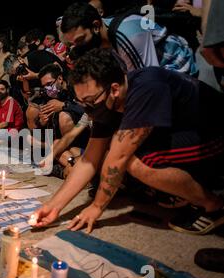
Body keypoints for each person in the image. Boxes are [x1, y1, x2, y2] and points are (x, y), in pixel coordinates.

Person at [32, 48, 224, 236]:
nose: (87, 109)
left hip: (213, 132)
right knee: (112, 153)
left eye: (90, 101)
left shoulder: (146, 88)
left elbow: (118, 160)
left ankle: (214, 206)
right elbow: (89, 159)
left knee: (135, 162)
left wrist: (97, 207)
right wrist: (52, 206)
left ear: (114, 89)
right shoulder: (104, 101)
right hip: (178, 132)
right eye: (81, 101)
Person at [60, 2, 197, 75]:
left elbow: (150, 82)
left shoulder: (126, 35)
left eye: (80, 40)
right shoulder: (105, 35)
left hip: (180, 68)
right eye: (73, 44)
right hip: (160, 76)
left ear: (95, 26)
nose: (78, 47)